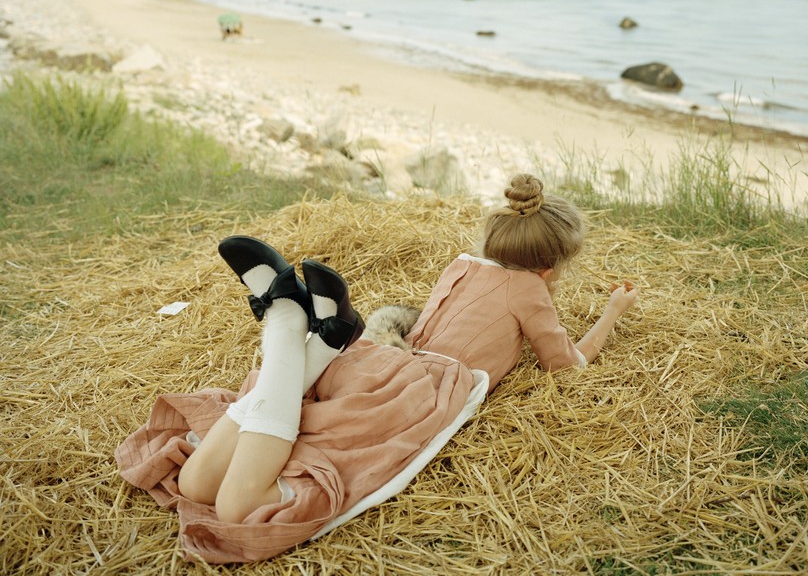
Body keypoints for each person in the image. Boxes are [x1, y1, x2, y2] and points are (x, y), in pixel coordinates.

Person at [115, 173, 639, 563]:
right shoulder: (531, 288)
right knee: (234, 510)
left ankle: (305, 338)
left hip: (375, 358)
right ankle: (288, 328)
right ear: (550, 267)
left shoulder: (461, 264)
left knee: (196, 484)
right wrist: (612, 312)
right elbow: (565, 366)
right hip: (414, 388)